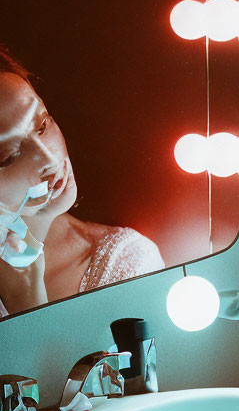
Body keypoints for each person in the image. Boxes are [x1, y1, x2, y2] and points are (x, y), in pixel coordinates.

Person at [0, 47, 164, 317]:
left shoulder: (126, 265)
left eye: (42, 124)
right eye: (9, 156)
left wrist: (28, 305)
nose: (49, 158)